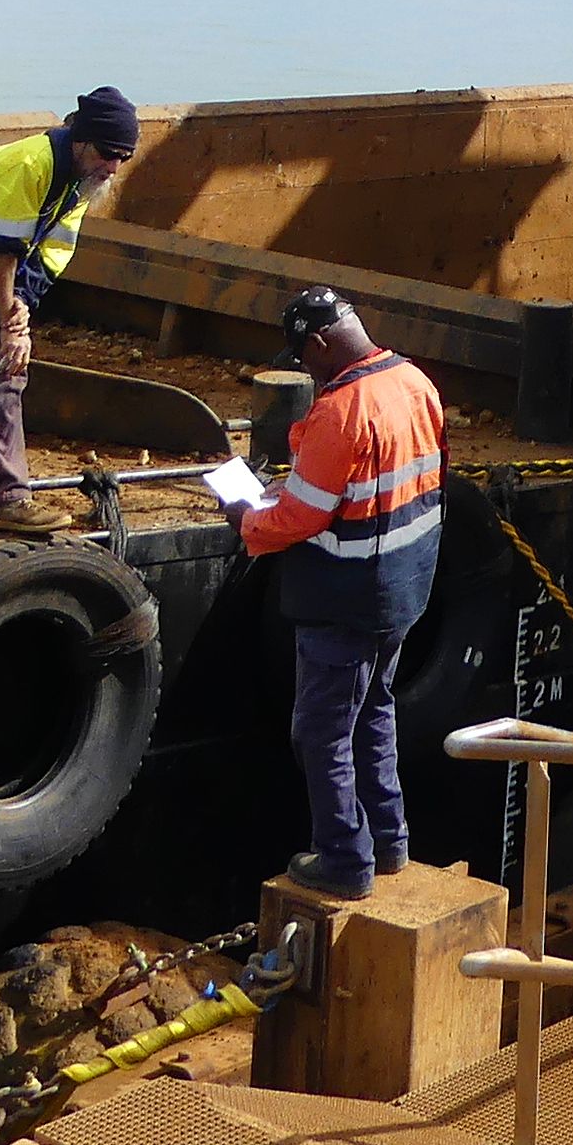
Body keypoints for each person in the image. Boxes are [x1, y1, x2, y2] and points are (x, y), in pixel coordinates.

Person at [231, 287, 445, 898]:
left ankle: (347, 863)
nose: (305, 369)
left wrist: (246, 518)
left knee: (320, 733)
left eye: (303, 357)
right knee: (374, 711)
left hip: (345, 601)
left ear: (322, 342)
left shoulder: (342, 408)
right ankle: (390, 841)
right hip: (403, 590)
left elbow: (301, 517)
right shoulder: (414, 382)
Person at [0, 87, 139, 532]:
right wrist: (10, 326)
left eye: (123, 158)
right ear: (82, 140)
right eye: (108, 154)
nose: (113, 167)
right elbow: (1, 254)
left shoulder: (80, 179)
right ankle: (5, 498)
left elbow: (54, 250)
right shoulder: (28, 166)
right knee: (3, 372)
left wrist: (22, 306)